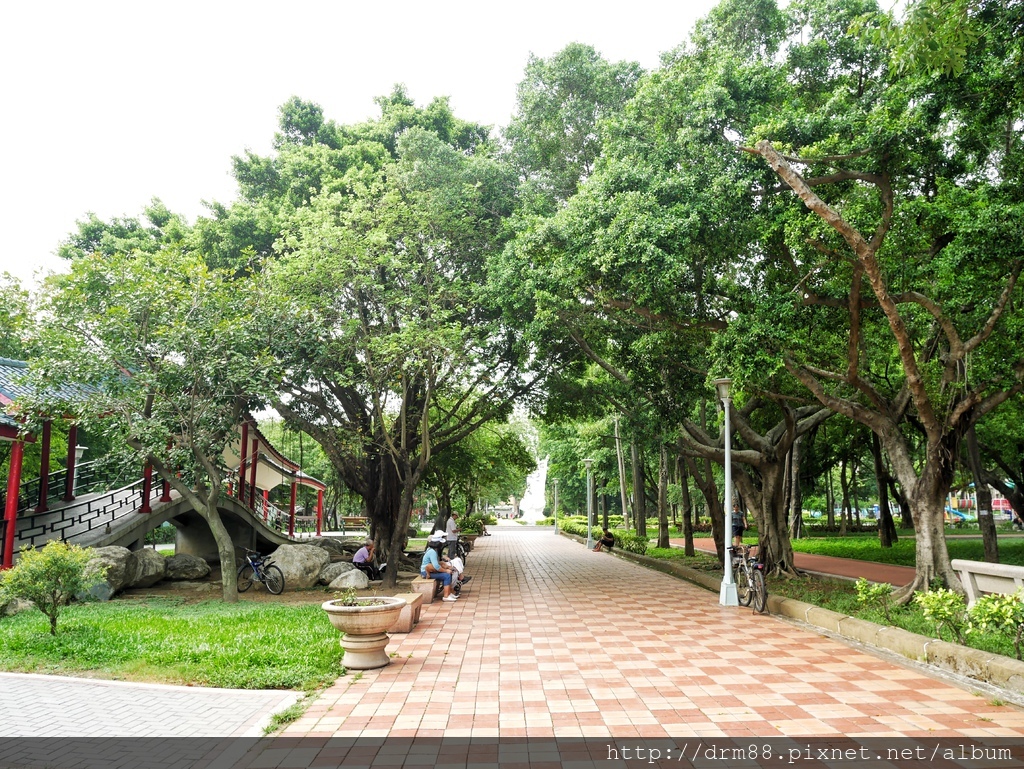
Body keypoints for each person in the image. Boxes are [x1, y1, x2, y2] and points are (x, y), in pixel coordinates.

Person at [422, 534, 458, 602]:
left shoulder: (432, 550)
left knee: (449, 573)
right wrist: (445, 570)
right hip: (426, 572)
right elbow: (436, 566)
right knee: (446, 576)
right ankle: (446, 596)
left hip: (430, 570)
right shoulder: (432, 552)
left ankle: (449, 593)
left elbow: (437, 563)